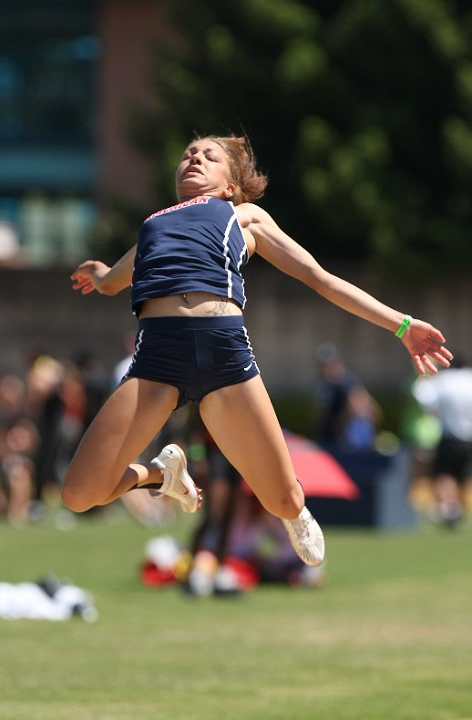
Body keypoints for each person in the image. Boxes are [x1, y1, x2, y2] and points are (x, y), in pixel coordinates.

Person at [62, 134, 452, 568]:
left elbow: (320, 279)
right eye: (189, 154)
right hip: (157, 362)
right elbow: (115, 280)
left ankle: (295, 511)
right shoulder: (154, 225)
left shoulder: (242, 216)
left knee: (283, 501)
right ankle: (161, 473)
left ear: (230, 184)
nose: (195, 158)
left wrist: (399, 324)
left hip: (225, 357)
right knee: (80, 495)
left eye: (210, 156)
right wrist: (97, 273)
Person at [412, 359, 472, 526]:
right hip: (469, 437)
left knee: (444, 474)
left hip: (450, 436)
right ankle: (455, 509)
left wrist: (422, 376)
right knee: (464, 475)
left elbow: (426, 403)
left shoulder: (443, 381)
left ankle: (450, 508)